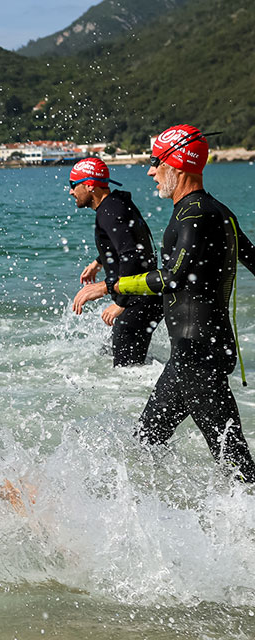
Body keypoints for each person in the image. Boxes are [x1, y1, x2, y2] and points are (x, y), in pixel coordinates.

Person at [73, 125, 255, 481]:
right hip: (191, 355)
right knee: (146, 441)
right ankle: (156, 508)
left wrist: (111, 287)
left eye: (157, 162)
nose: (150, 171)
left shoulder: (195, 215)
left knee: (236, 466)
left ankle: (240, 513)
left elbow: (172, 277)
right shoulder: (217, 211)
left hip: (198, 357)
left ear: (178, 165)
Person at [69, 157, 163, 366]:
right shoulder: (117, 204)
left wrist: (121, 303)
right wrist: (98, 262)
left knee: (125, 372)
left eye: (73, 185)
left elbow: (132, 256)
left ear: (89, 185)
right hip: (145, 296)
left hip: (138, 300)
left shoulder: (109, 212)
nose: (71, 191)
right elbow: (130, 242)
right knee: (116, 356)